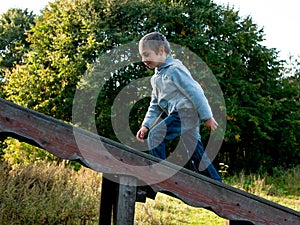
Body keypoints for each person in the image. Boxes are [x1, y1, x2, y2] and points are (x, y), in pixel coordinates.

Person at [136, 32, 222, 182]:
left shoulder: (175, 69)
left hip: (186, 112)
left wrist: (207, 116)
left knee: (157, 136)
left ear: (161, 51)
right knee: (196, 151)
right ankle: (217, 185)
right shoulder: (156, 78)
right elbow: (155, 104)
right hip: (182, 114)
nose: (144, 60)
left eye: (147, 54)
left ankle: (159, 176)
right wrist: (146, 125)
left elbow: (195, 91)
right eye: (142, 56)